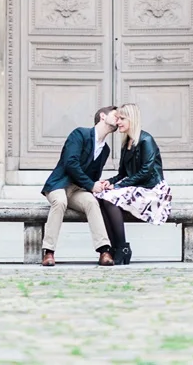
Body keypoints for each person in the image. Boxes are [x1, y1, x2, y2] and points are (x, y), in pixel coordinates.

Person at [40, 106, 120, 267]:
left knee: (91, 202)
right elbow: (71, 163)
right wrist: (91, 184)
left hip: (78, 190)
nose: (119, 119)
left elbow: (93, 177)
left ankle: (104, 250)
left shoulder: (105, 150)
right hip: (59, 185)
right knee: (60, 202)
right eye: (116, 115)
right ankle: (48, 252)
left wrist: (99, 184)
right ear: (102, 116)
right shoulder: (80, 134)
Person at [96, 103, 173, 265]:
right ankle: (114, 247)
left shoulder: (146, 140)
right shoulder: (127, 143)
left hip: (152, 189)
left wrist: (117, 187)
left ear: (132, 119)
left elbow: (146, 172)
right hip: (136, 186)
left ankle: (122, 247)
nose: (118, 123)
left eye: (122, 119)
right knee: (100, 196)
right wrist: (108, 182)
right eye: (117, 119)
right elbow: (123, 174)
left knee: (110, 198)